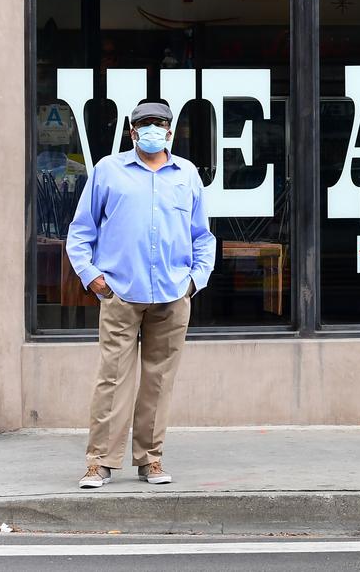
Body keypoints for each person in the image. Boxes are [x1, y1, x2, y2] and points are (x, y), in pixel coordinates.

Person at [66, 101, 216, 489]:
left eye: (159, 125)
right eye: (143, 125)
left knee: (159, 380)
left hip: (171, 293)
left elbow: (203, 235)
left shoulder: (186, 175)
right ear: (132, 133)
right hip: (121, 292)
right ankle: (99, 462)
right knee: (112, 379)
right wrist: (94, 278)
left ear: (170, 131)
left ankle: (150, 459)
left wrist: (194, 281)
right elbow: (81, 231)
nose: (151, 130)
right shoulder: (108, 171)